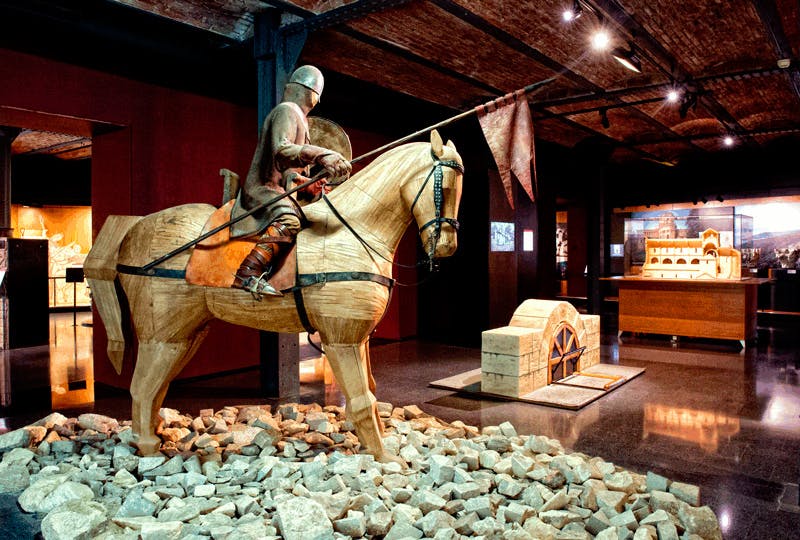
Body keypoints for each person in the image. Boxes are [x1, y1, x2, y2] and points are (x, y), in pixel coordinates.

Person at [231, 65, 351, 295]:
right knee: (291, 219)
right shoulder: (286, 110)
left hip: (281, 189)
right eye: (316, 94)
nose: (317, 99)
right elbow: (282, 150)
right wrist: (323, 154)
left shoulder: (301, 119)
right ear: (309, 92)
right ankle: (248, 272)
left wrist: (310, 183)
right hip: (263, 188)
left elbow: (290, 172)